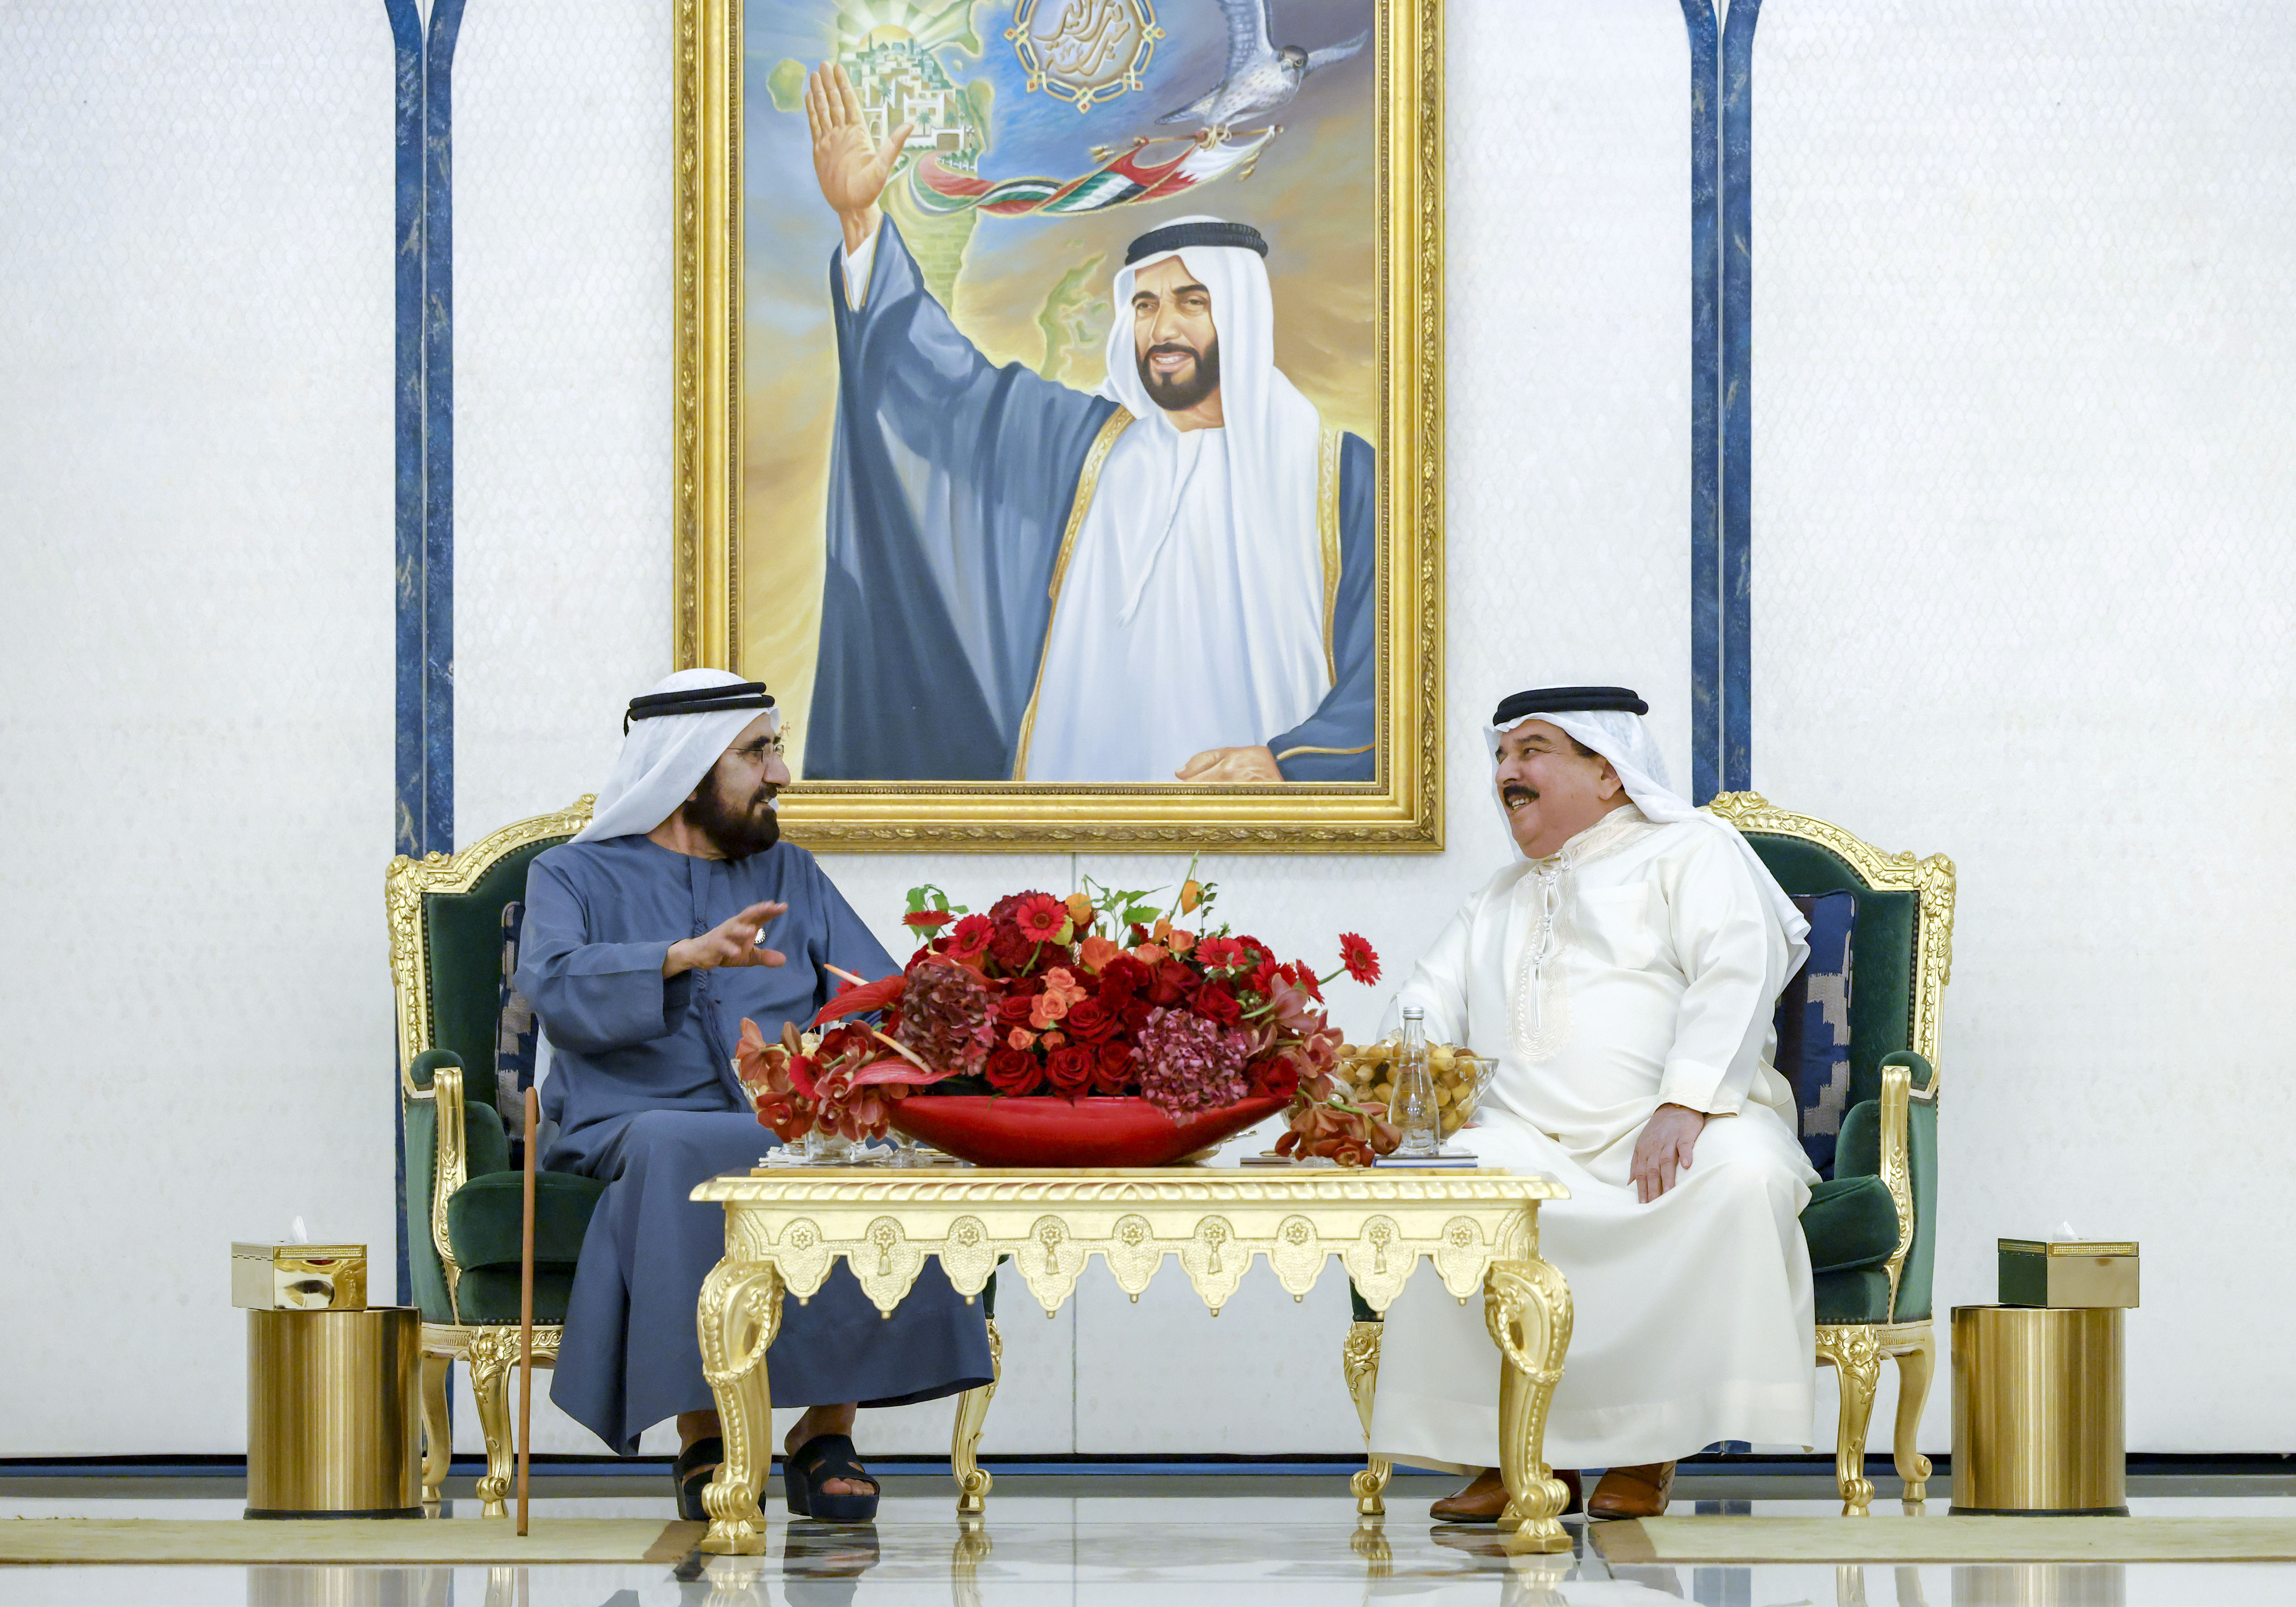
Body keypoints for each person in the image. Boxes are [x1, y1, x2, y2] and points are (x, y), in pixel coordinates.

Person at [799, 61, 1375, 785]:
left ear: (1239, 315)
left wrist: (1286, 761)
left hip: (1260, 840)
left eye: (1190, 302)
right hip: (1071, 844)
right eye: (1144, 306)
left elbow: (1392, 676)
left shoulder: (1338, 478)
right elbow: (946, 393)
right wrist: (861, 223)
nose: (1161, 326)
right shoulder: (1085, 447)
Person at [517, 668, 994, 1522]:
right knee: (681, 1145)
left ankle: (825, 1432)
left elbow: (874, 989)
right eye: (757, 752)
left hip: (786, 1109)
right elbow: (551, 986)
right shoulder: (573, 874)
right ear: (687, 768)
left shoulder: (793, 872)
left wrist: (978, 1007)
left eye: (776, 748)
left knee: (877, 1143)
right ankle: (706, 1436)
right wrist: (678, 957)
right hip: (630, 1114)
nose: (780, 773)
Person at [1367, 686, 1818, 1522]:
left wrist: (1684, 1104)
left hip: (1676, 1125)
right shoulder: (1498, 895)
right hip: (1527, 1138)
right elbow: (1419, 1006)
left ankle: (1647, 1449)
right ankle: (1514, 1451)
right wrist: (1405, 1092)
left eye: (1530, 750)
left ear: (1607, 772)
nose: (1507, 770)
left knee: (1742, 1174)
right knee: (1443, 1182)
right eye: (1500, 754)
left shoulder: (1689, 851)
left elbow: (1737, 968)